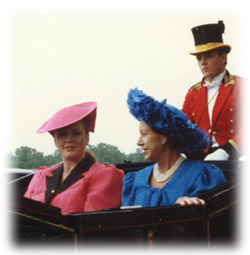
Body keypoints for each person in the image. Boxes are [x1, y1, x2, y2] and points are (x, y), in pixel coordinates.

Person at [122, 88, 226, 207]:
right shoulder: (135, 180)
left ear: (164, 136)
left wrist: (187, 207)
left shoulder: (201, 175)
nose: (139, 142)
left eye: (144, 134)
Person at [24, 102, 124, 214]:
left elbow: (91, 226)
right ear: (55, 141)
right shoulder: (40, 176)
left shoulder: (105, 176)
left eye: (76, 133)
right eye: (62, 134)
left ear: (87, 137)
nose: (69, 139)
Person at [182, 20, 243, 160]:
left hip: (236, 156)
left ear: (223, 57)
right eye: (199, 58)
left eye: (208, 56)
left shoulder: (242, 87)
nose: (203, 62)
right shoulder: (193, 93)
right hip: (201, 157)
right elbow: (185, 130)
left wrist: (227, 151)